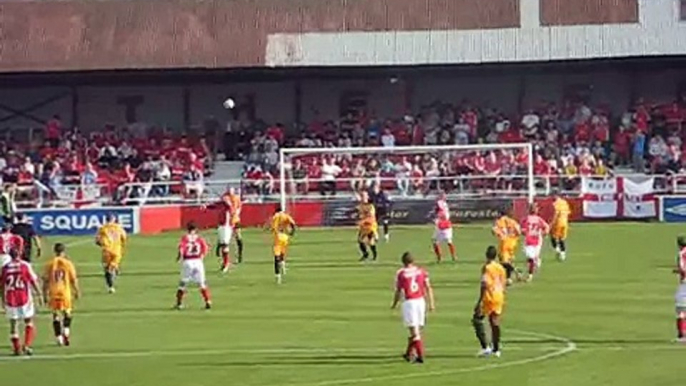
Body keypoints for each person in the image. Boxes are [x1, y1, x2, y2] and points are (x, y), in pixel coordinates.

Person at [391, 252, 435, 364]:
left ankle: (420, 356)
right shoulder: (421, 271)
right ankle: (408, 353)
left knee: (414, 331)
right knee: (416, 330)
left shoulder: (401, 273)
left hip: (409, 303)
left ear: (403, 261)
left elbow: (398, 290)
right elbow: (428, 287)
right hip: (421, 301)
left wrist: (394, 303)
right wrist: (431, 303)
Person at [0, 250, 42, 356]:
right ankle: (27, 345)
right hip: (24, 298)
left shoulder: (5, 268)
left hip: (10, 299)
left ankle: (17, 348)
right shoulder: (25, 265)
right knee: (28, 321)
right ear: (19, 254)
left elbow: (2, 285)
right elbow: (33, 280)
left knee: (13, 324)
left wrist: (2, 300)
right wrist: (39, 294)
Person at [472, 245, 507, 358]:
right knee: (494, 322)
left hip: (489, 296)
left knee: (477, 319)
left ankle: (485, 347)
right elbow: (503, 283)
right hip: (499, 296)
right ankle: (496, 349)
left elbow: (484, 284)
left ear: (486, 255)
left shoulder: (486, 268)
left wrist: (479, 301)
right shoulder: (500, 268)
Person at [42, 243, 79, 346]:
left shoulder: (50, 264)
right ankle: (66, 332)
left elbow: (45, 281)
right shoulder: (68, 264)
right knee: (67, 313)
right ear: (63, 252)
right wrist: (76, 291)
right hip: (65, 292)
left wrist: (44, 294)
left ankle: (59, 338)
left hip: (53, 292)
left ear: (55, 251)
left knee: (56, 315)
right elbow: (73, 279)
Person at [175, 222, 212, 309]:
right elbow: (206, 248)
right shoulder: (199, 238)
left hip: (188, 261)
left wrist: (179, 257)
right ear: (195, 230)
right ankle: (208, 301)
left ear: (187, 229)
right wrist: (202, 256)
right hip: (198, 261)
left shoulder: (185, 238)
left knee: (183, 283)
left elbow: (181, 249)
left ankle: (179, 304)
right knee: (202, 283)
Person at [95, 214, 127, 294]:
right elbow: (124, 237)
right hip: (117, 250)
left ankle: (110, 287)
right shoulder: (118, 227)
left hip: (107, 250)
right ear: (113, 219)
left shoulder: (102, 228)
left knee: (107, 269)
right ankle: (114, 271)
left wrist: (101, 244)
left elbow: (97, 241)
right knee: (113, 266)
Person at [520, 204, 550, 282]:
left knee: (531, 258)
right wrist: (545, 232)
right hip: (531, 240)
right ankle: (535, 261)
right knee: (530, 257)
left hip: (535, 240)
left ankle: (530, 275)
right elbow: (547, 228)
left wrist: (543, 232)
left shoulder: (530, 219)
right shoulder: (533, 219)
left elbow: (522, 230)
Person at [492, 206, 521, 285]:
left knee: (503, 262)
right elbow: (518, 231)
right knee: (509, 261)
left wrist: (499, 234)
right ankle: (508, 279)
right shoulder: (512, 221)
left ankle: (516, 271)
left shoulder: (499, 221)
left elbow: (494, 231)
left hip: (504, 243)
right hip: (513, 243)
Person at [270, 207, 296, 284]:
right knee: (282, 253)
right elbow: (293, 223)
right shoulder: (285, 215)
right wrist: (292, 232)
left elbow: (272, 227)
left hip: (278, 236)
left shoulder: (275, 216)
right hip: (285, 237)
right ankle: (284, 268)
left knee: (276, 257)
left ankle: (278, 276)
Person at [432, 192, 456, 263]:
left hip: (444, 225)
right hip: (443, 225)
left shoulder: (440, 203)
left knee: (444, 242)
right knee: (443, 242)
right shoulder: (444, 204)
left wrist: (435, 215)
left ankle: (442, 257)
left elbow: (438, 209)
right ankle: (451, 256)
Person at [357, 191, 378, 261]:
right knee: (360, 240)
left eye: (364, 196)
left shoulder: (370, 206)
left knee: (370, 242)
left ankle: (374, 256)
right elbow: (360, 215)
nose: (363, 198)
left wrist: (363, 221)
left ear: (367, 197)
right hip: (363, 227)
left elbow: (371, 217)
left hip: (370, 226)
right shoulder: (361, 206)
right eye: (362, 196)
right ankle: (365, 254)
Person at [551, 191, 571, 261]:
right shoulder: (565, 202)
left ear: (555, 195)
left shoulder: (555, 204)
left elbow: (556, 215)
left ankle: (558, 250)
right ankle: (563, 254)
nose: (551, 197)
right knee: (561, 239)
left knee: (553, 237)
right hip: (565, 223)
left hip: (558, 223)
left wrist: (551, 223)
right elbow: (568, 212)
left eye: (552, 195)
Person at [227, 187, 244, 263]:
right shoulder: (226, 198)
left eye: (232, 191)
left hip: (236, 220)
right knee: (227, 240)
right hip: (228, 221)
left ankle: (239, 255)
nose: (231, 192)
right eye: (229, 191)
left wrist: (237, 212)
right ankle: (227, 258)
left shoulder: (237, 198)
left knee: (238, 238)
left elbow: (239, 207)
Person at [674, 236, 686, 342]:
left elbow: (683, 268)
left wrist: (678, 271)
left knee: (680, 309)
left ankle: (682, 335)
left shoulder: (681, 253)